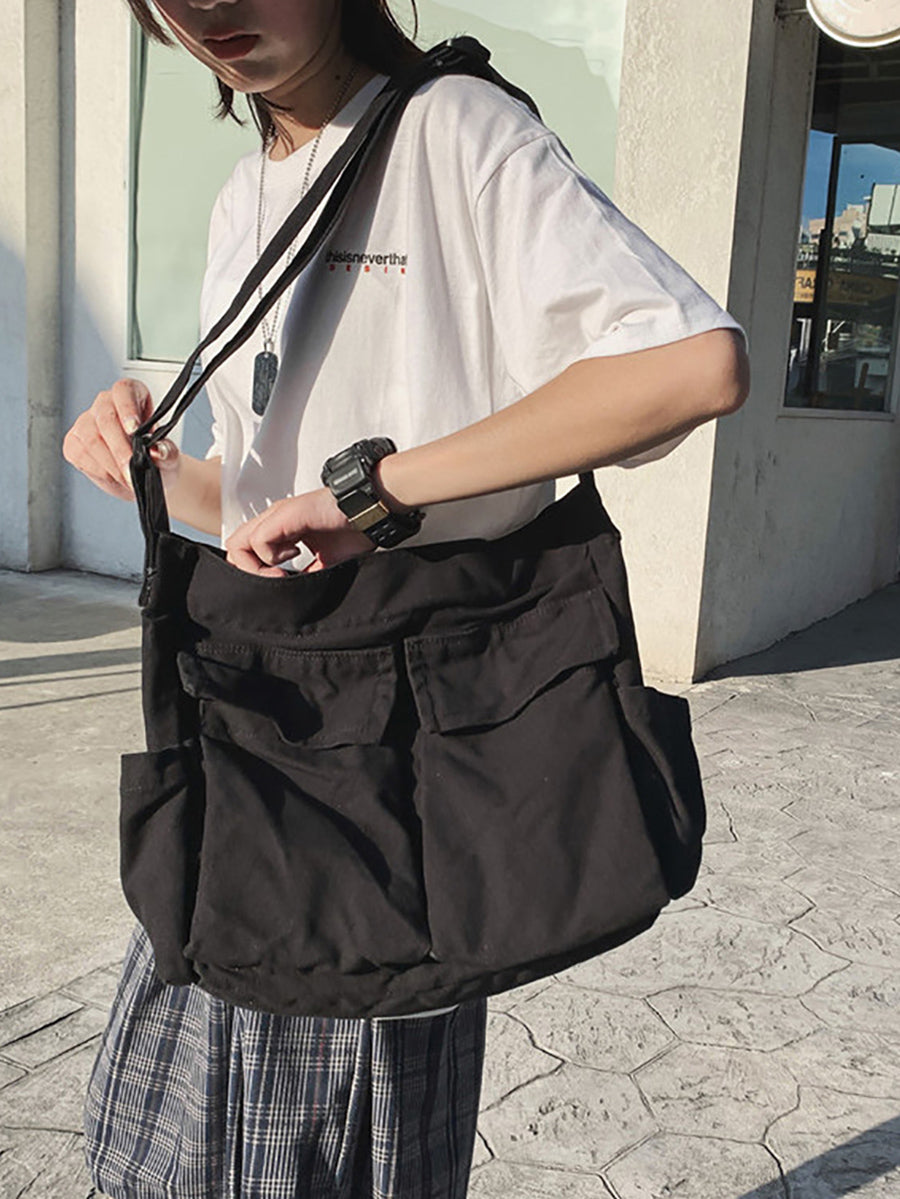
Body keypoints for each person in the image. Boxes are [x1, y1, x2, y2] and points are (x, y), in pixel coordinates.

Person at [63, 1, 750, 1195]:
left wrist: (378, 492)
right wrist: (156, 470)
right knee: (166, 1139)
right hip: (262, 729)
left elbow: (692, 363)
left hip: (401, 756)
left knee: (317, 1138)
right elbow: (268, 502)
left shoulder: (453, 130)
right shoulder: (245, 196)